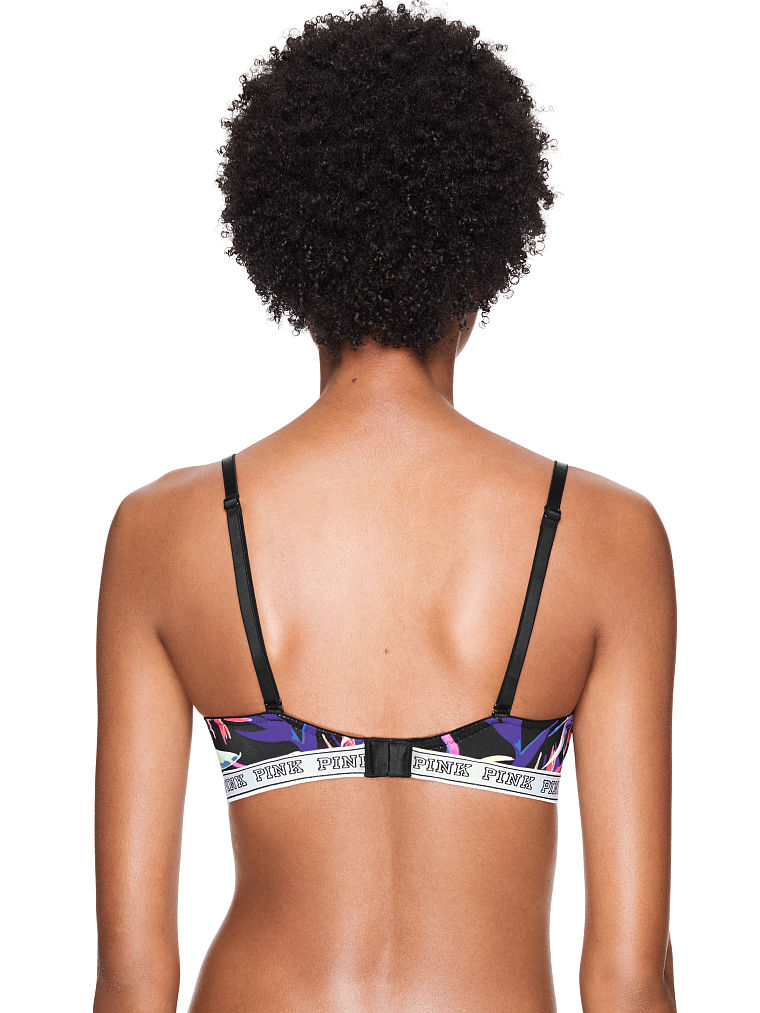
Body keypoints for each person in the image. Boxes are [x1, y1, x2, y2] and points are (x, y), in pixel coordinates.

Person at [93, 2, 677, 1010]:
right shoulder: (605, 536)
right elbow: (629, 976)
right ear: (482, 257)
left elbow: (132, 978)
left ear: (288, 253)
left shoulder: (166, 531)